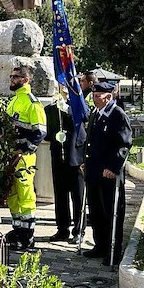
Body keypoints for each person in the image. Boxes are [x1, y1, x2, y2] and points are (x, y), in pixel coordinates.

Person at [83, 81, 132, 266]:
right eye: (94, 95)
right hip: (94, 171)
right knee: (96, 212)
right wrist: (84, 161)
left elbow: (124, 144)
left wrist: (113, 167)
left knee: (111, 213)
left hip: (109, 175)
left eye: (98, 96)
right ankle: (100, 246)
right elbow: (91, 142)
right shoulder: (97, 113)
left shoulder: (117, 115)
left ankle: (113, 251)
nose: (94, 98)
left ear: (108, 96)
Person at [6, 66, 47, 251]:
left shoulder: (32, 103)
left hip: (24, 158)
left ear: (25, 80)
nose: (12, 79)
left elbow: (40, 132)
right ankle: (17, 232)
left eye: (15, 77)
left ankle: (27, 236)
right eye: (11, 76)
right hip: (9, 156)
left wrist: (24, 152)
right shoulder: (13, 100)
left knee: (26, 197)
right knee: (13, 196)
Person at [44, 86, 87, 244]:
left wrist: (68, 106)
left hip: (76, 157)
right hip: (58, 156)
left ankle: (79, 230)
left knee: (78, 196)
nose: (64, 89)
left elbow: (84, 117)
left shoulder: (79, 105)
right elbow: (48, 133)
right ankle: (62, 229)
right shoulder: (50, 109)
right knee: (60, 196)